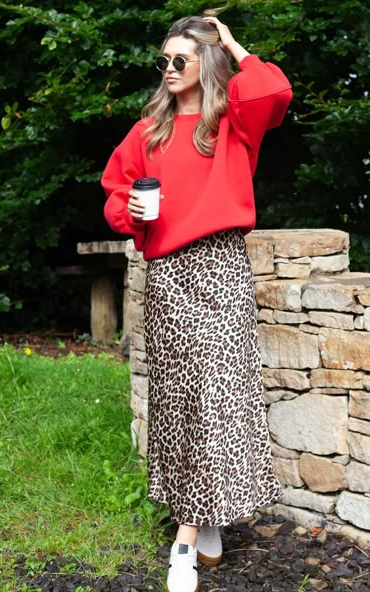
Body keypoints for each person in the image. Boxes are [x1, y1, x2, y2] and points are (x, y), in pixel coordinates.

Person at [101, 14, 292, 592]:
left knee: (219, 395)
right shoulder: (148, 130)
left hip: (221, 269)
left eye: (180, 59)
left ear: (205, 63)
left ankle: (183, 544)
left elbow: (273, 90)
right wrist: (127, 212)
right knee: (184, 401)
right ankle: (205, 517)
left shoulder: (232, 124)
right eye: (163, 60)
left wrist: (231, 43)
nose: (169, 69)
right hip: (167, 275)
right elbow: (116, 188)